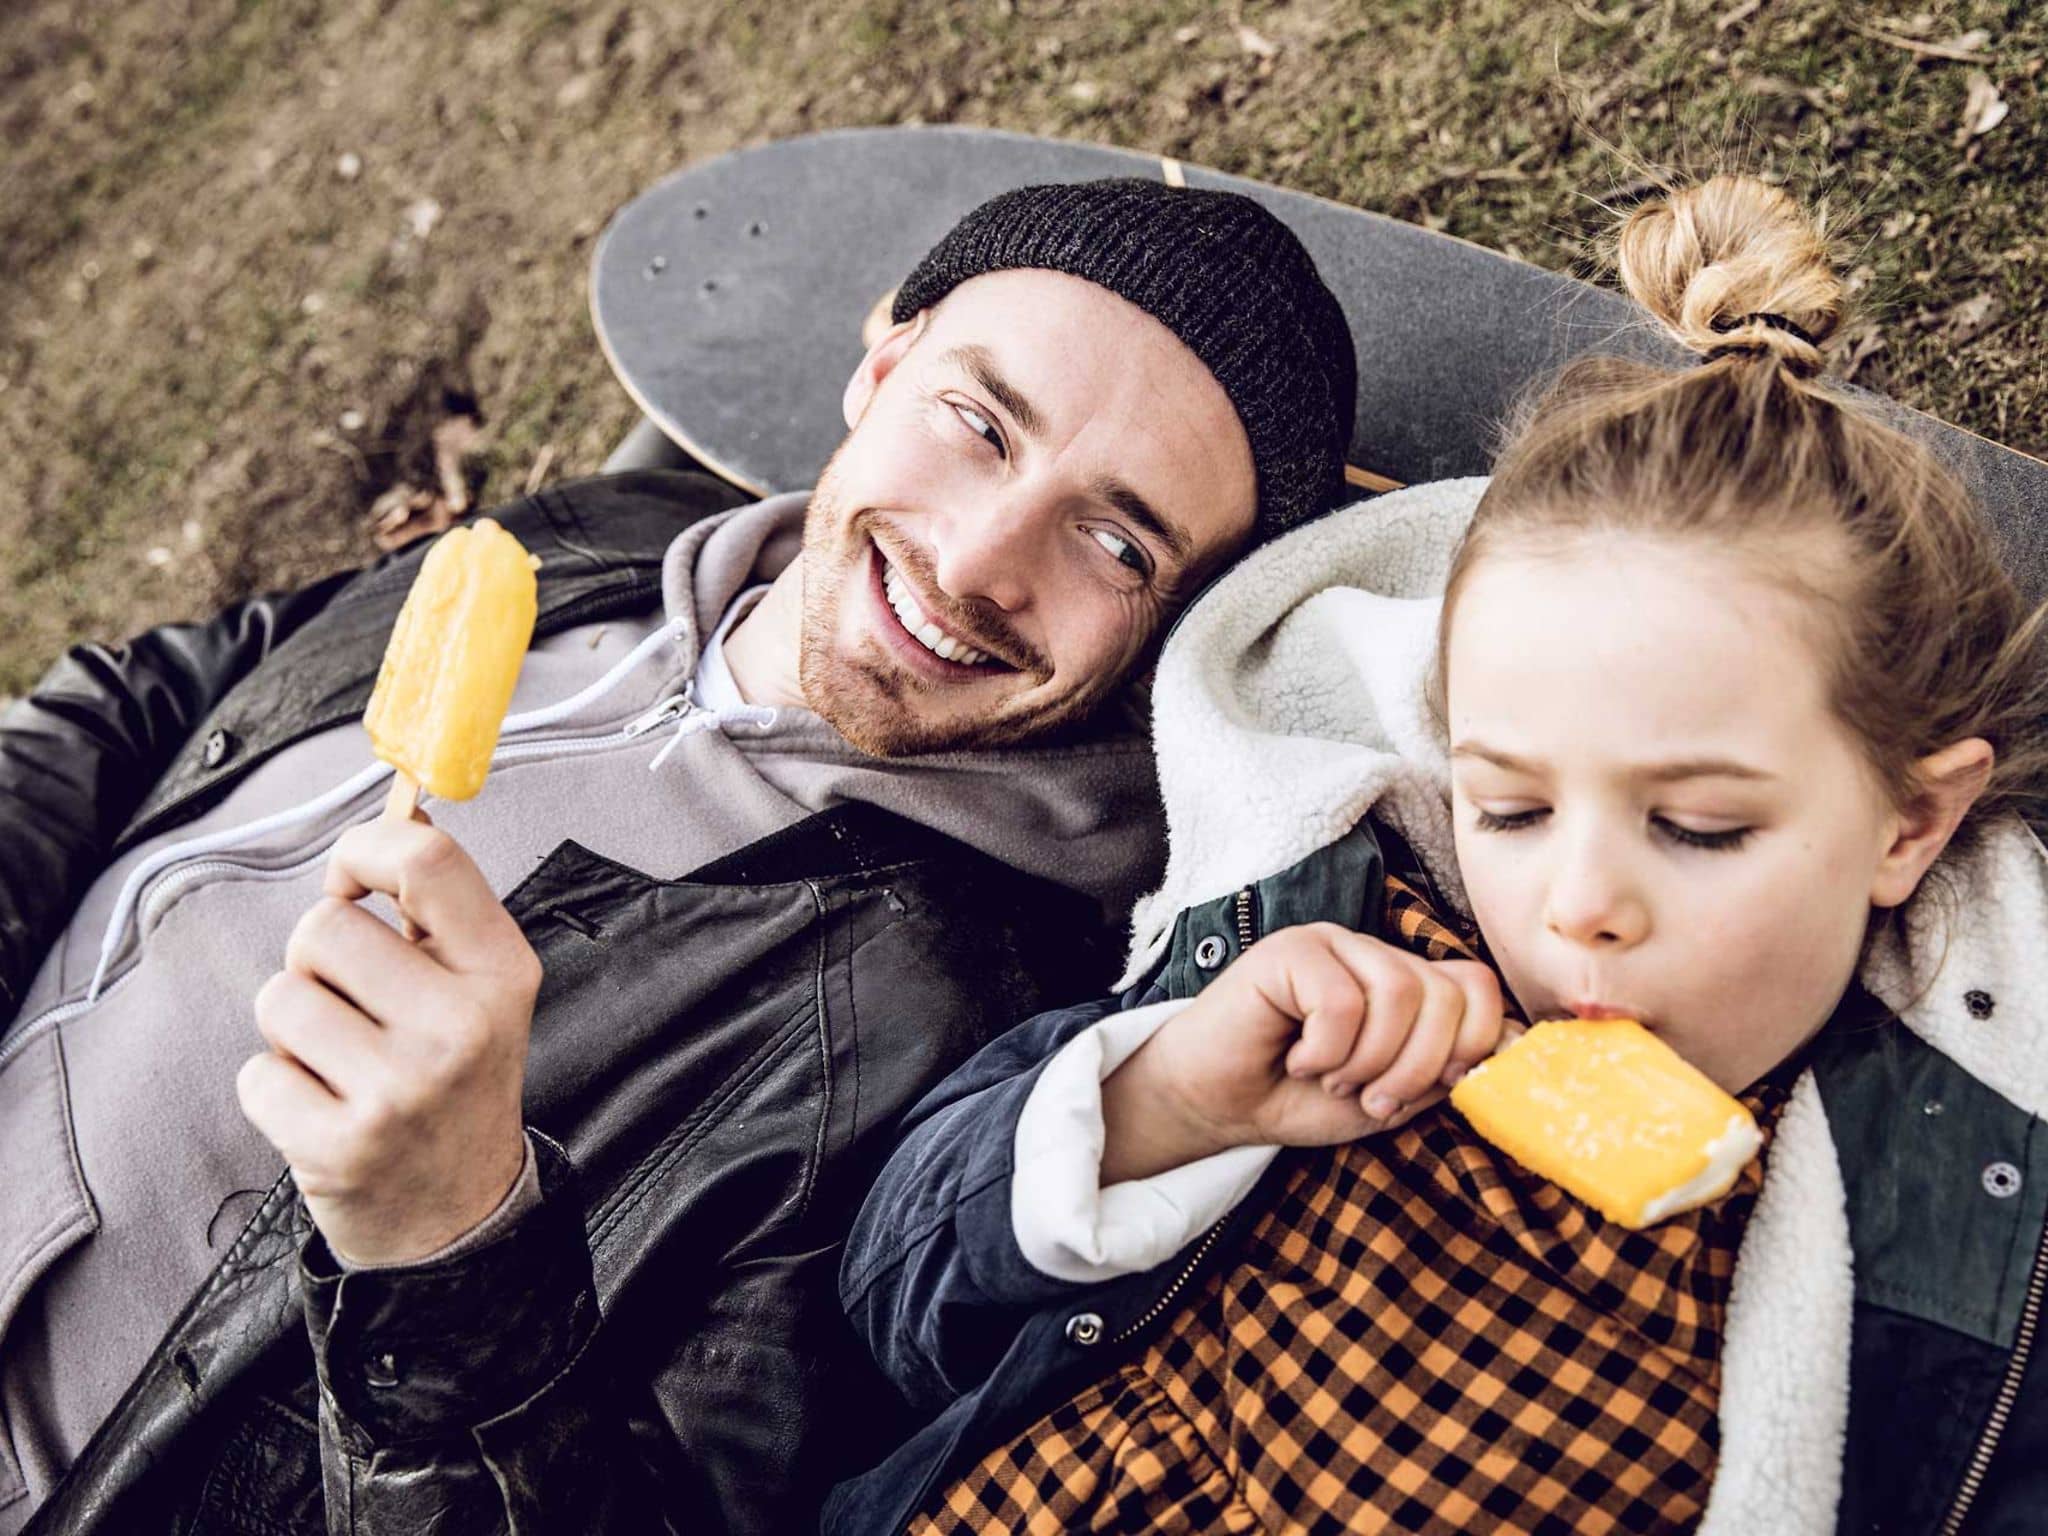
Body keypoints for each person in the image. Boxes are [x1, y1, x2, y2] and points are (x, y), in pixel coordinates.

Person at [0, 179, 1358, 1534]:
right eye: (979, 425)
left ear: (1176, 630)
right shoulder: (611, 535)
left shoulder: (928, 1032)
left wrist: (449, 1246)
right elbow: (164, 693)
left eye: (1115, 541)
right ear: (881, 364)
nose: (978, 560)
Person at [832, 175, 2048, 1535]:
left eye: (1698, 829)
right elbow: (890, 1304)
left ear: (1910, 825)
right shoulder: (1328, 960)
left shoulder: (1948, 1234)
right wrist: (1165, 1100)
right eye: (1513, 811)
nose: (1579, 906)